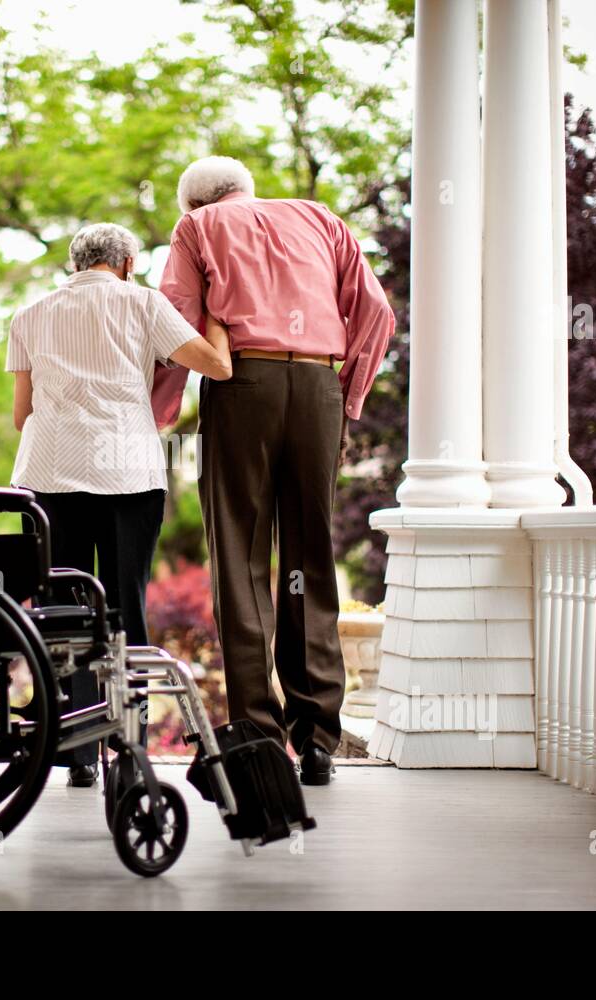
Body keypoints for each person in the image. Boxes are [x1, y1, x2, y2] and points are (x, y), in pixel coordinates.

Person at [152, 156, 395, 785]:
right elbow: (375, 312)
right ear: (246, 190)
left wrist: (159, 409)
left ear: (193, 206)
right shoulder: (320, 218)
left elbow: (174, 319)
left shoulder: (197, 230)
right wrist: (348, 397)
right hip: (318, 385)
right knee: (309, 557)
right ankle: (317, 740)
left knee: (240, 555)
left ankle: (258, 736)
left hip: (244, 386)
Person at [7, 223, 233, 786]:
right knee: (123, 605)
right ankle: (126, 752)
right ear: (128, 263)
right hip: (126, 473)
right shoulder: (143, 304)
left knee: (65, 610)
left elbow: (21, 415)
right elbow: (216, 365)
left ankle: (77, 754)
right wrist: (221, 327)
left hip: (48, 475)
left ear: (75, 264)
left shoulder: (30, 315)